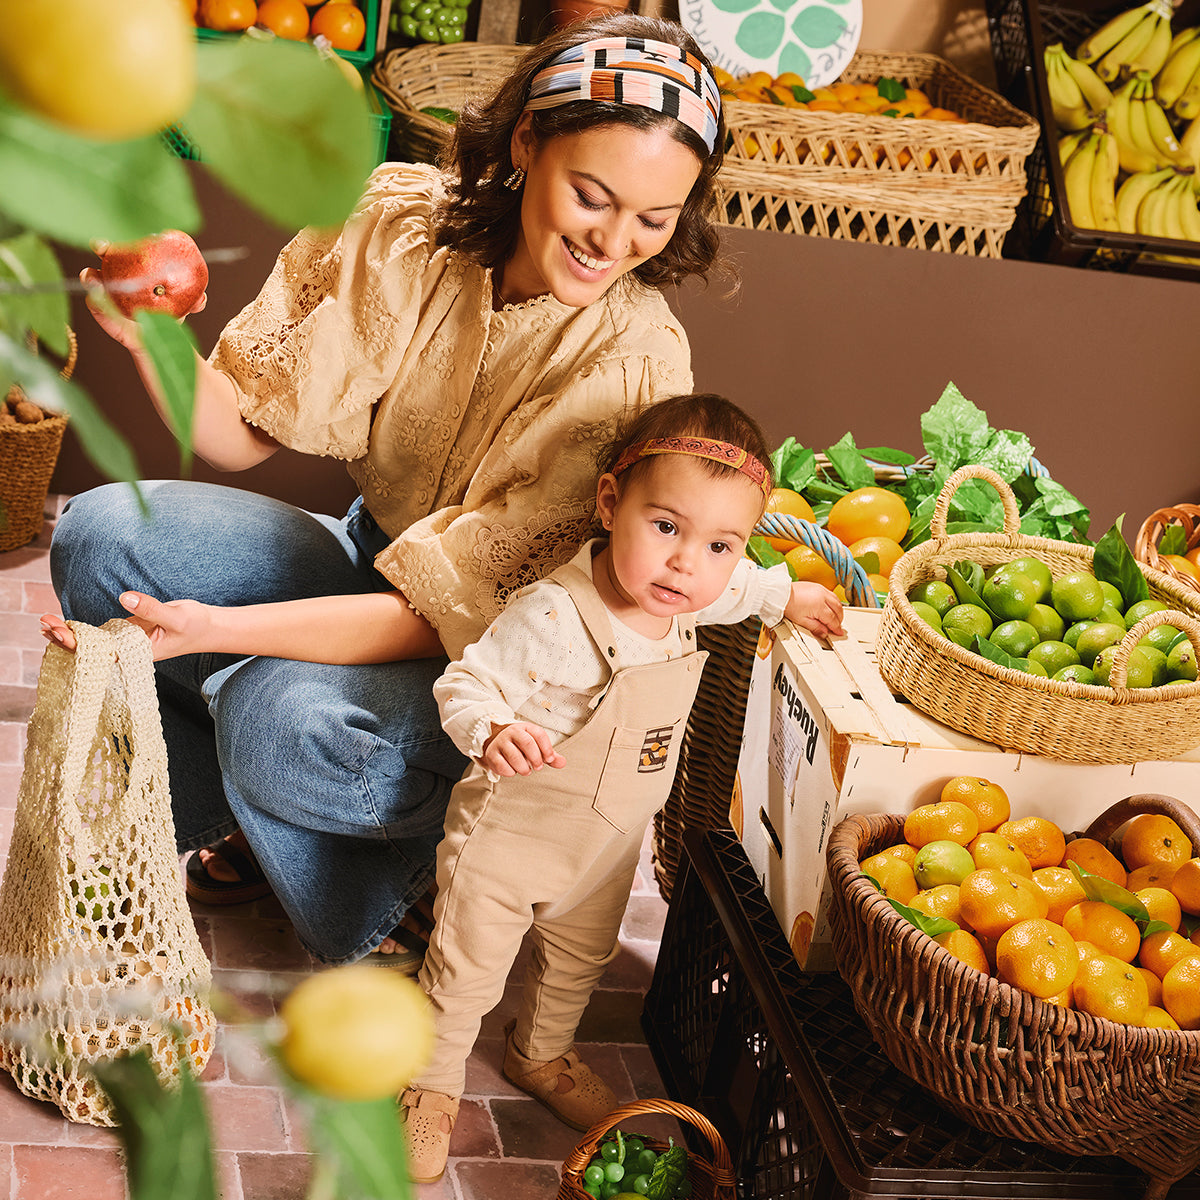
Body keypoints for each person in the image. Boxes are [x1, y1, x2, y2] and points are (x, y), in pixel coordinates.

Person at [46, 14, 729, 967]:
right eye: (592, 195)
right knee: (97, 535)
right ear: (528, 140)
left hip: (491, 665)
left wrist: (212, 630)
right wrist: (156, 338)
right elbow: (240, 434)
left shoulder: (636, 365)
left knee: (276, 715)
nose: (614, 240)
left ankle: (402, 889)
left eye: (654, 221)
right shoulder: (404, 225)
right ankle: (231, 812)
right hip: (373, 557)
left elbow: (432, 614)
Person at [399, 393, 844, 1181]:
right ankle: (430, 1087)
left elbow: (744, 590)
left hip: (606, 844)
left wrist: (790, 595)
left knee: (579, 958)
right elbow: (465, 684)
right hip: (513, 835)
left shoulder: (697, 596)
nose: (686, 564)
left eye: (719, 545)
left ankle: (541, 1056)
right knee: (466, 969)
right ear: (612, 504)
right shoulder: (555, 616)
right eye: (666, 527)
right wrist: (495, 731)